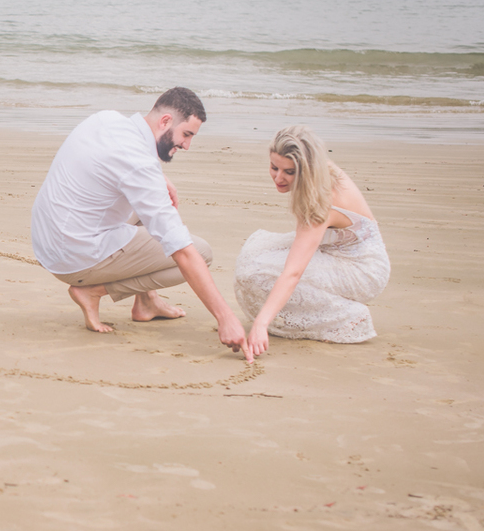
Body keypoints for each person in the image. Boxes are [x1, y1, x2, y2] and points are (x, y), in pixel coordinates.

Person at [31, 87, 250, 360]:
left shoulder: (106, 119)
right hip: (73, 255)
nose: (187, 145)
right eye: (187, 134)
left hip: (48, 237)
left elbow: (124, 162)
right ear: (166, 121)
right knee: (201, 252)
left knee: (151, 208)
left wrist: (160, 179)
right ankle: (93, 291)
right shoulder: (139, 165)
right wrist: (226, 318)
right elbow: (181, 249)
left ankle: (147, 303)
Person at [234, 125, 390, 355]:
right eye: (274, 167)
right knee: (252, 254)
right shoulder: (318, 168)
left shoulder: (318, 199)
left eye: (289, 171)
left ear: (306, 169)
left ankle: (348, 317)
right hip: (334, 247)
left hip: (363, 270)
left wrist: (261, 324)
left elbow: (293, 273)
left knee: (255, 273)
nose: (279, 177)